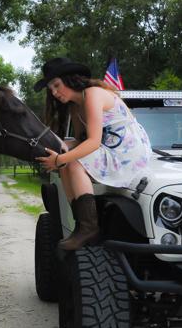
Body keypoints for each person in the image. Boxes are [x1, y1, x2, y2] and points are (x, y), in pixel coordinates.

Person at [34, 57, 151, 250]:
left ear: (70, 79)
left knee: (72, 161)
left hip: (127, 150)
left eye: (56, 85)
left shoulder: (93, 94)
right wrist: (58, 148)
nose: (54, 93)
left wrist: (60, 158)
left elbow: (94, 142)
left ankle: (89, 227)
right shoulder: (75, 107)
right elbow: (82, 140)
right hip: (109, 148)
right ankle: (80, 223)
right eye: (51, 90)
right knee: (65, 159)